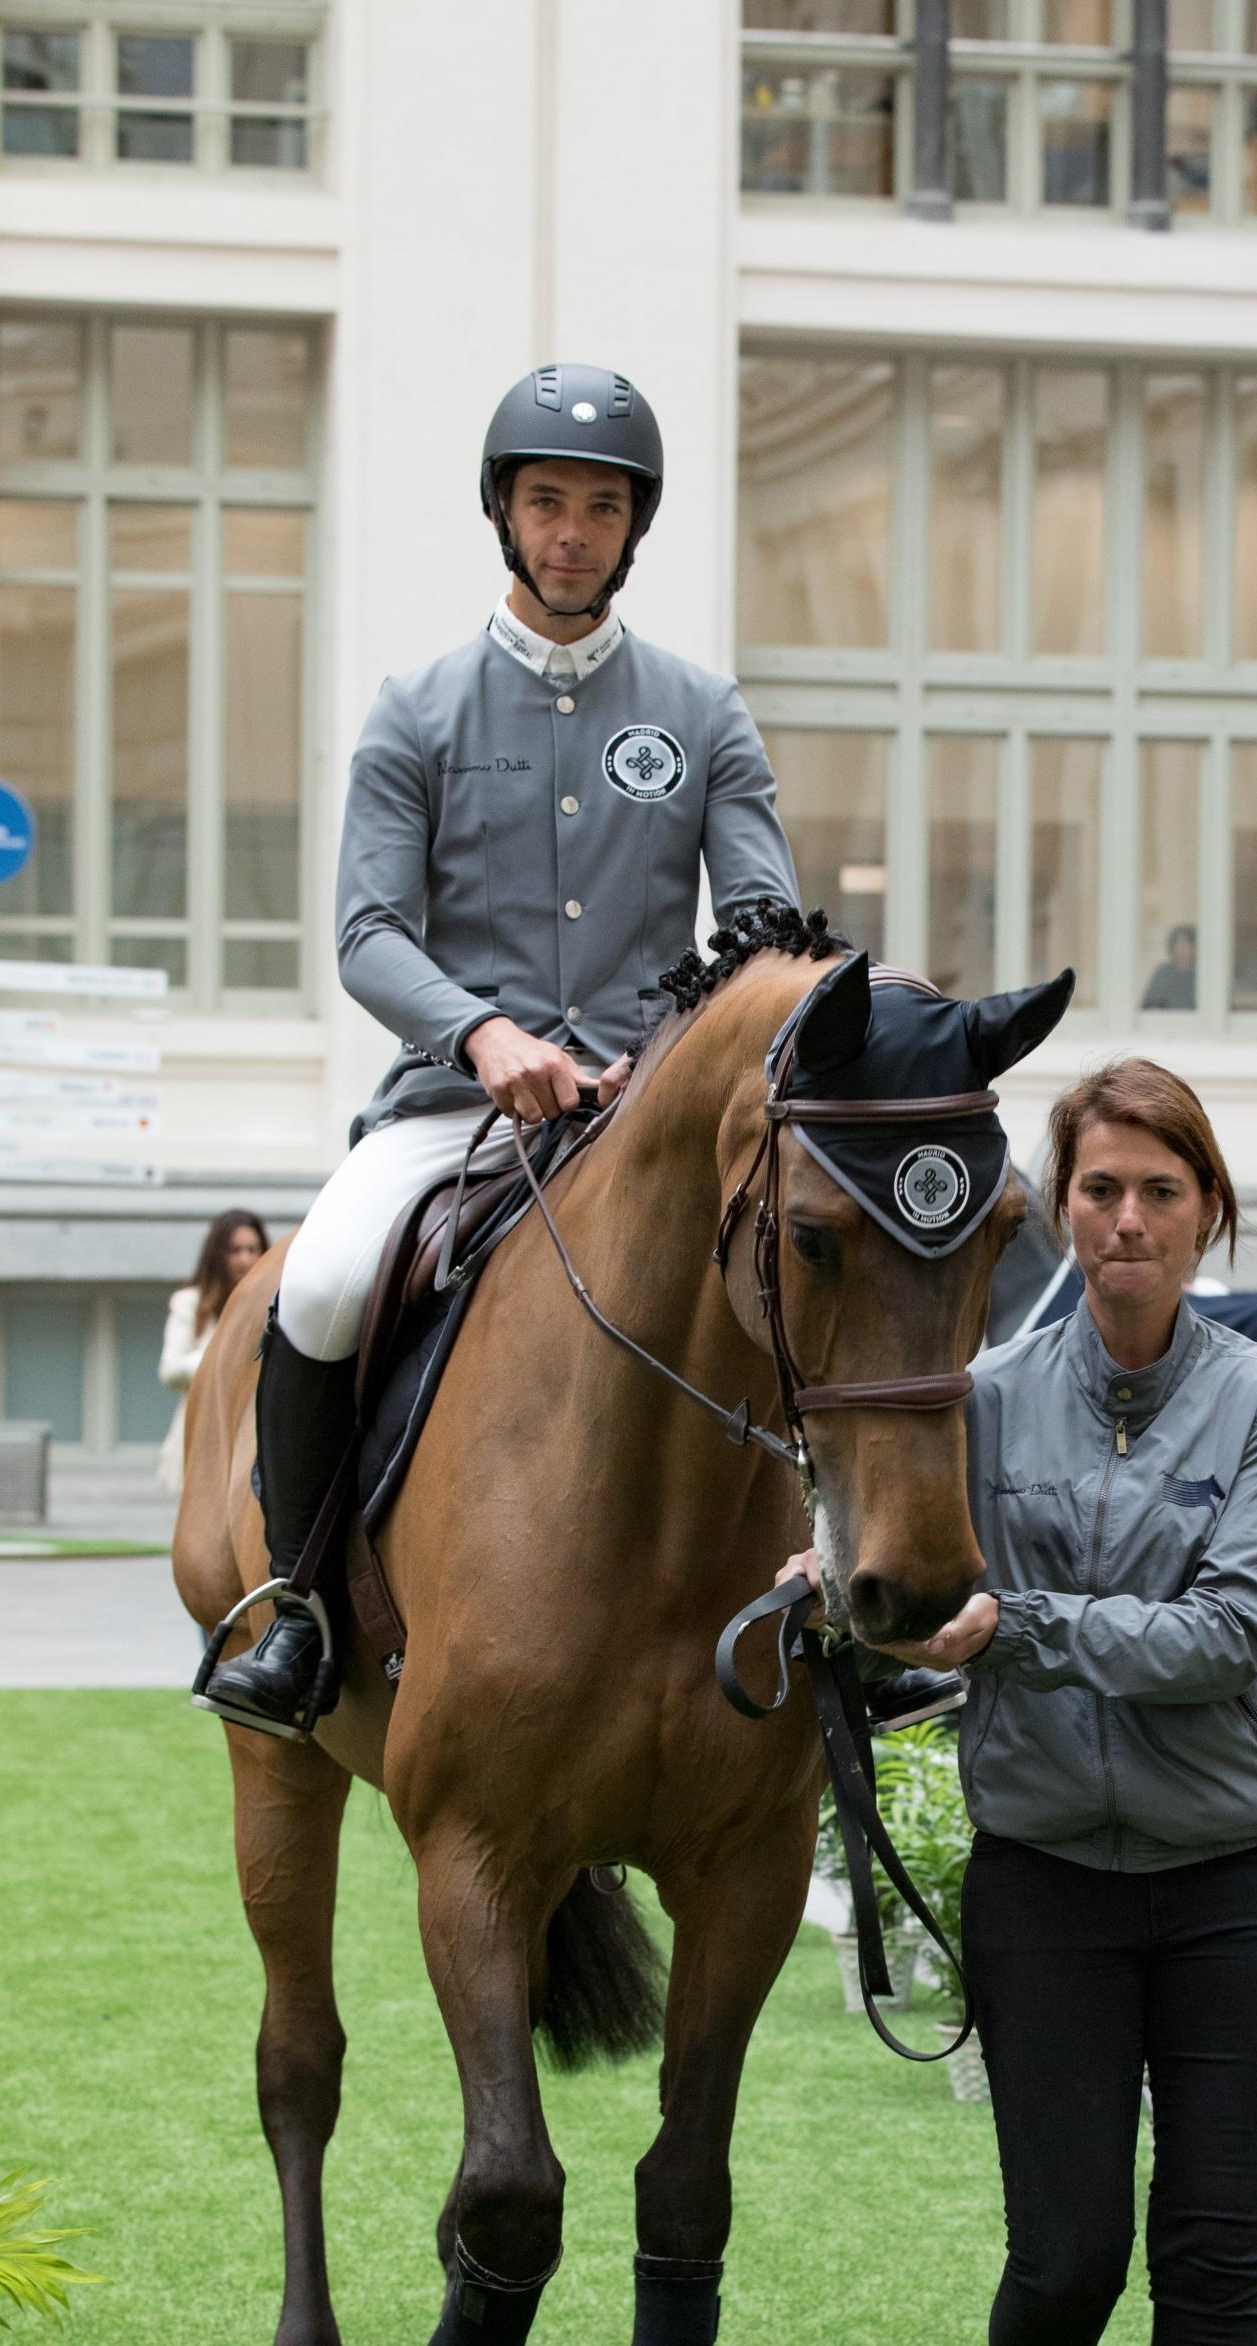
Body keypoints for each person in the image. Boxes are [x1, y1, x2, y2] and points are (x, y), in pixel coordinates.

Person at [780, 1059, 1257, 2346]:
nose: (1131, 1219)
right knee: (1066, 2254)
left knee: (1211, 2265)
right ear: (1056, 1213)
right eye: (1101, 1189)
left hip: (1240, 1877)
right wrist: (838, 1595)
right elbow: (909, 1594)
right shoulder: (981, 1396)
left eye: (1163, 1190)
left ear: (1207, 1210)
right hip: (1048, 1887)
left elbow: (1233, 1637)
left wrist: (1018, 1630)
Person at [199, 363, 798, 1738]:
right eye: (547, 503)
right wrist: (480, 1032)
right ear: (504, 514)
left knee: (797, 1273)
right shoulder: (417, 709)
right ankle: (298, 1607)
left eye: (601, 506)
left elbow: (763, 922)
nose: (573, 531)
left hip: (649, 1110)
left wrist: (711, 1044)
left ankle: (843, 1606)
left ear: (634, 526)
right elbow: (366, 934)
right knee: (330, 1280)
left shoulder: (704, 715)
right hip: (453, 1106)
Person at [158, 1209, 270, 1493]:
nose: (245, 1259)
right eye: (235, 1250)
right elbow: (170, 1371)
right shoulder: (190, 1304)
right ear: (218, 1254)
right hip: (206, 1435)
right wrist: (224, 1354)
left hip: (257, 1437)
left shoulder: (274, 1305)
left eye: (252, 1249)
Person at [1140, 923, 1197, 1012]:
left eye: (1191, 945)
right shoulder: (1164, 974)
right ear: (1173, 947)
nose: (1187, 950)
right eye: (1182, 945)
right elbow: (1149, 1007)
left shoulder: (1204, 975)